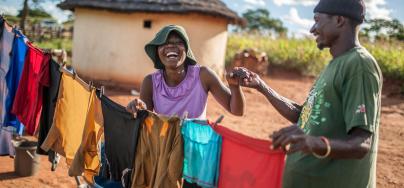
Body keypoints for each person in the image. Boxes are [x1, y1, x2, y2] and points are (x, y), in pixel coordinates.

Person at [239, 0, 382, 187]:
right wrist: (261, 86)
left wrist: (314, 143)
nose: (312, 29)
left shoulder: (359, 65)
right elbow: (304, 117)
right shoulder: (334, 64)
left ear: (339, 20)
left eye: (317, 20)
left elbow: (361, 143)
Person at [126, 25, 248, 187]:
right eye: (164, 43)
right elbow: (144, 121)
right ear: (157, 51)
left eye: (178, 42)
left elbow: (237, 110)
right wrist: (135, 107)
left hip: (196, 153)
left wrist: (234, 86)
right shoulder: (150, 82)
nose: (171, 46)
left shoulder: (203, 75)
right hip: (164, 152)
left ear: (187, 49)